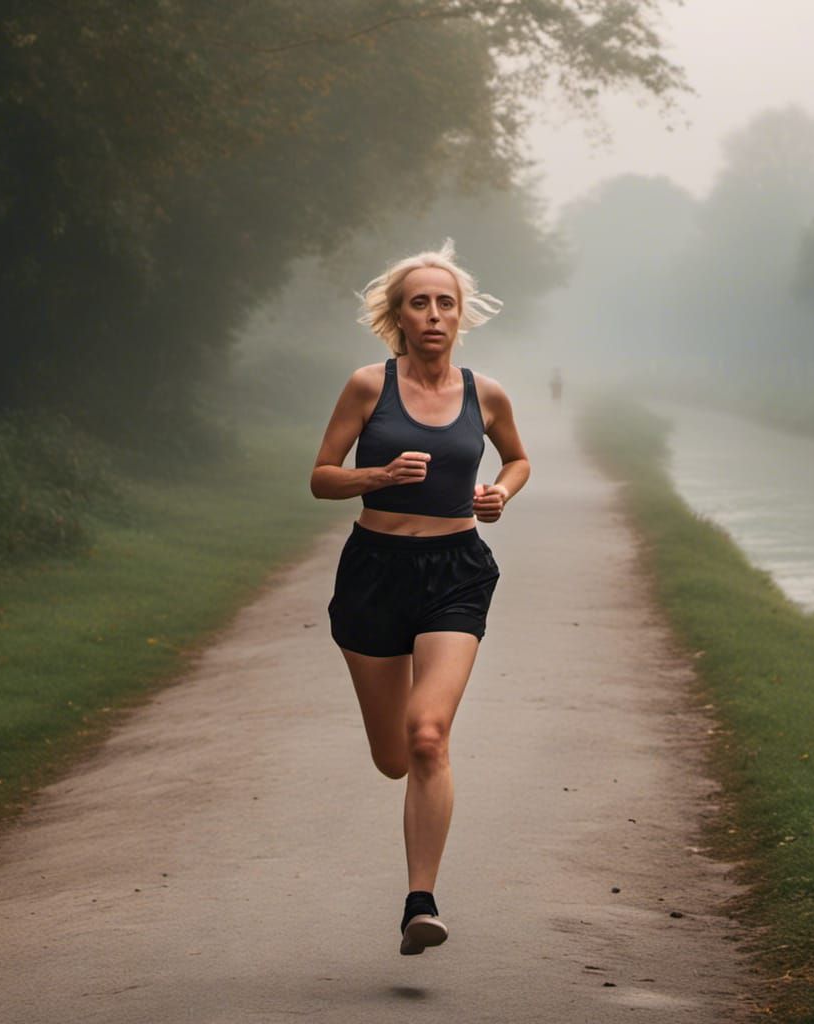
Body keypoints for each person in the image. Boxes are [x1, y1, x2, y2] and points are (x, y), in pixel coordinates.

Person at [310, 240, 530, 956]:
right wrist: (377, 476)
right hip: (375, 570)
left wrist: (500, 492)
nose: (433, 314)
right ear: (398, 317)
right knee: (393, 757)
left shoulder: (485, 392)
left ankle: (420, 903)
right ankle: (407, 801)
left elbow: (518, 459)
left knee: (428, 735)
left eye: (445, 302)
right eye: (419, 302)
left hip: (456, 569)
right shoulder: (367, 386)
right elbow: (321, 476)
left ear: (460, 315)